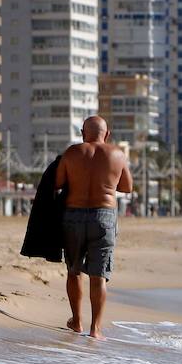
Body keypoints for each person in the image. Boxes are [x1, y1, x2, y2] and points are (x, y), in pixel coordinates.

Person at [56, 116, 131, 340]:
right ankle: (95, 329)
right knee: (98, 275)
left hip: (73, 216)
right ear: (107, 134)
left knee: (74, 270)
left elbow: (58, 182)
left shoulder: (72, 152)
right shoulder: (117, 154)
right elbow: (127, 187)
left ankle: (77, 321)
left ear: (82, 133)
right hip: (104, 216)